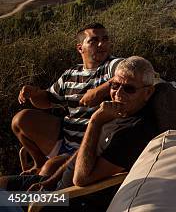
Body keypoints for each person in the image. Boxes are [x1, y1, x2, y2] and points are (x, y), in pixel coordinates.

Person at [1, 56, 158, 209]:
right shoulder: (118, 113)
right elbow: (79, 154)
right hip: (55, 186)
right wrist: (49, 181)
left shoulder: (134, 132)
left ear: (148, 93)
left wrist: (95, 122)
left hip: (67, 199)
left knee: (3, 200)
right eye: (115, 85)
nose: (118, 94)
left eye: (129, 89)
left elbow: (81, 179)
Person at [11, 23, 122, 175]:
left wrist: (98, 92)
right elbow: (47, 101)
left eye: (105, 39)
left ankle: (46, 176)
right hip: (66, 138)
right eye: (94, 41)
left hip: (89, 146)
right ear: (80, 48)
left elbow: (131, 69)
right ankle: (40, 162)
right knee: (20, 120)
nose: (101, 44)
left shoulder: (111, 65)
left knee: (48, 170)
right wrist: (35, 94)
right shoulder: (71, 74)